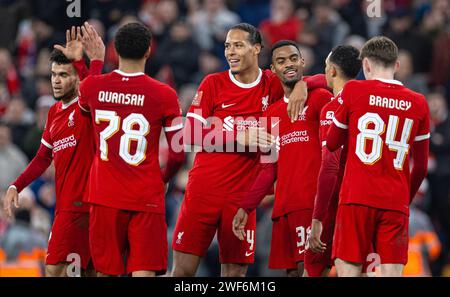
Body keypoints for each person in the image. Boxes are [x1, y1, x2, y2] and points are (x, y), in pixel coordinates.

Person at [171, 23, 324, 277]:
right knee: (182, 273)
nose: (231, 52)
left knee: (235, 275)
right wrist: (239, 137)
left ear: (256, 49)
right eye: (227, 46)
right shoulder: (212, 84)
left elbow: (326, 78)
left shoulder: (272, 83)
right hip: (203, 192)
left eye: (238, 45)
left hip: (242, 198)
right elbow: (190, 133)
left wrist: (303, 86)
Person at [78, 22, 185, 277]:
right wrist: (164, 178)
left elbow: (85, 103)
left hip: (104, 195)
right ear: (149, 51)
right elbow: (179, 152)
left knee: (105, 272)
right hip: (146, 195)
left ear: (114, 50)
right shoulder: (165, 94)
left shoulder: (92, 87)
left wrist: (95, 61)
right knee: (144, 273)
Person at [3, 24, 105, 277]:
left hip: (79, 207)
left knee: (53, 271)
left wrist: (87, 63)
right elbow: (42, 158)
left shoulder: (85, 106)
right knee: (88, 273)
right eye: (53, 74)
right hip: (72, 207)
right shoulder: (54, 113)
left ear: (77, 78)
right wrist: (16, 185)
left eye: (63, 74)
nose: (56, 81)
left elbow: (94, 90)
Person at [326, 36, 430, 277]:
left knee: (349, 271)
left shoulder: (353, 89)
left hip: (356, 196)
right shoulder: (419, 102)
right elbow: (422, 167)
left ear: (366, 65)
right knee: (392, 273)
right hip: (395, 200)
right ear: (397, 65)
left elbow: (332, 143)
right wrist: (406, 198)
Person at [231, 40, 332, 277]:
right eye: (281, 61)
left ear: (303, 62)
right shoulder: (270, 114)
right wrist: (246, 207)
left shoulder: (320, 100)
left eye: (294, 59)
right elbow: (268, 169)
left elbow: (340, 81)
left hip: (312, 205)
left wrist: (306, 84)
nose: (289, 64)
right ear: (273, 69)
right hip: (283, 209)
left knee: (310, 271)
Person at [305, 45, 361, 277]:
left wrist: (318, 218)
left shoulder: (332, 109)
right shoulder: (366, 105)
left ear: (333, 71)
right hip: (364, 200)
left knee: (314, 267)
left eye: (326, 67)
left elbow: (330, 166)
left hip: (336, 201)